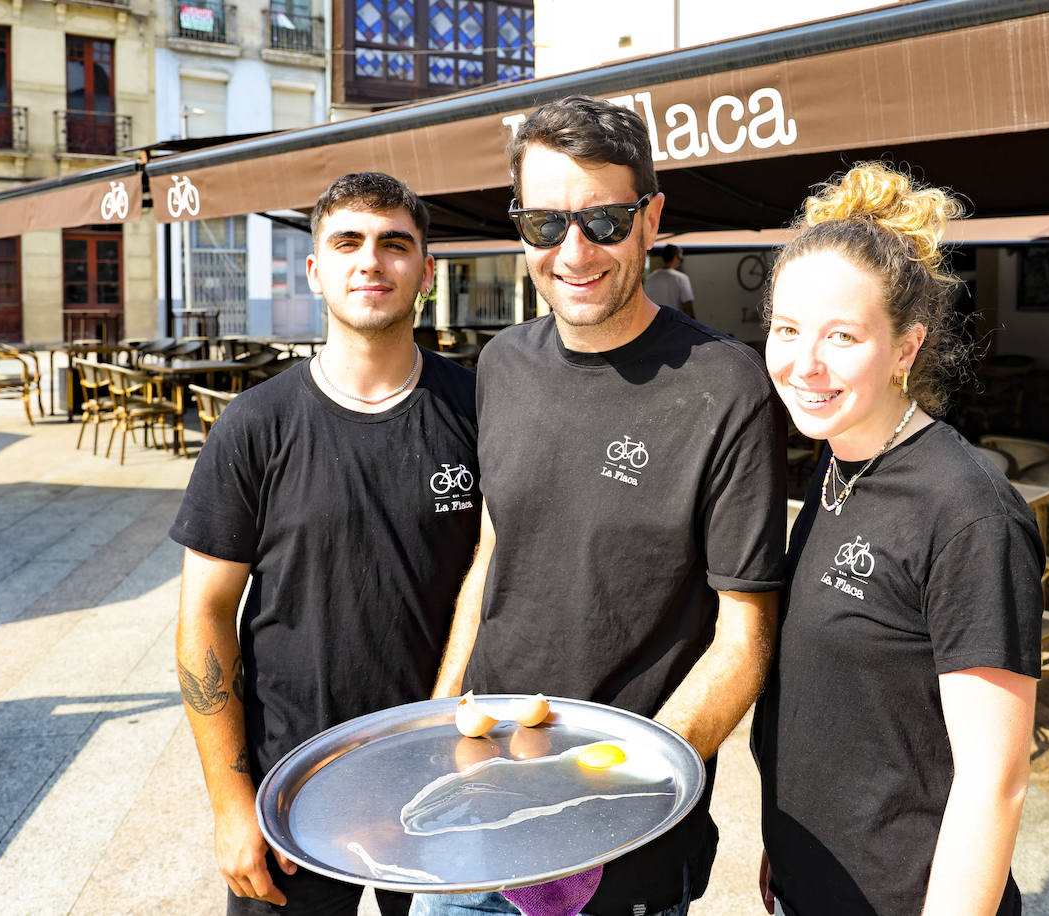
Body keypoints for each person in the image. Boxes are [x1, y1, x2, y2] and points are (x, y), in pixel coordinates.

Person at [414, 96, 786, 916]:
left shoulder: (727, 388)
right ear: (520, 230)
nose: (574, 250)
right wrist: (441, 724)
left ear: (651, 218)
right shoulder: (502, 364)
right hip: (475, 812)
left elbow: (744, 638)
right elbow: (492, 557)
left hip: (625, 836)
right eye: (546, 224)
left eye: (606, 220)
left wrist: (622, 780)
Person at [172, 171, 481, 916]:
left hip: (448, 785)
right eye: (347, 242)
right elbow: (205, 614)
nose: (370, 261)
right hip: (294, 790)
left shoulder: (480, 410)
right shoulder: (255, 425)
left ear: (426, 271)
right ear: (315, 271)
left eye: (394, 244)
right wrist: (230, 801)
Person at [752, 162, 1043, 916]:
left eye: (842, 336)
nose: (803, 363)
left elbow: (996, 783)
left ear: (906, 349)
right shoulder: (836, 460)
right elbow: (842, 708)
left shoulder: (969, 513)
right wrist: (785, 850)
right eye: (787, 330)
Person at [644, 243, 695, 317]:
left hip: (653, 323)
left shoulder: (650, 278)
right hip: (673, 324)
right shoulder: (681, 278)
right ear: (675, 257)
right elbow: (688, 307)